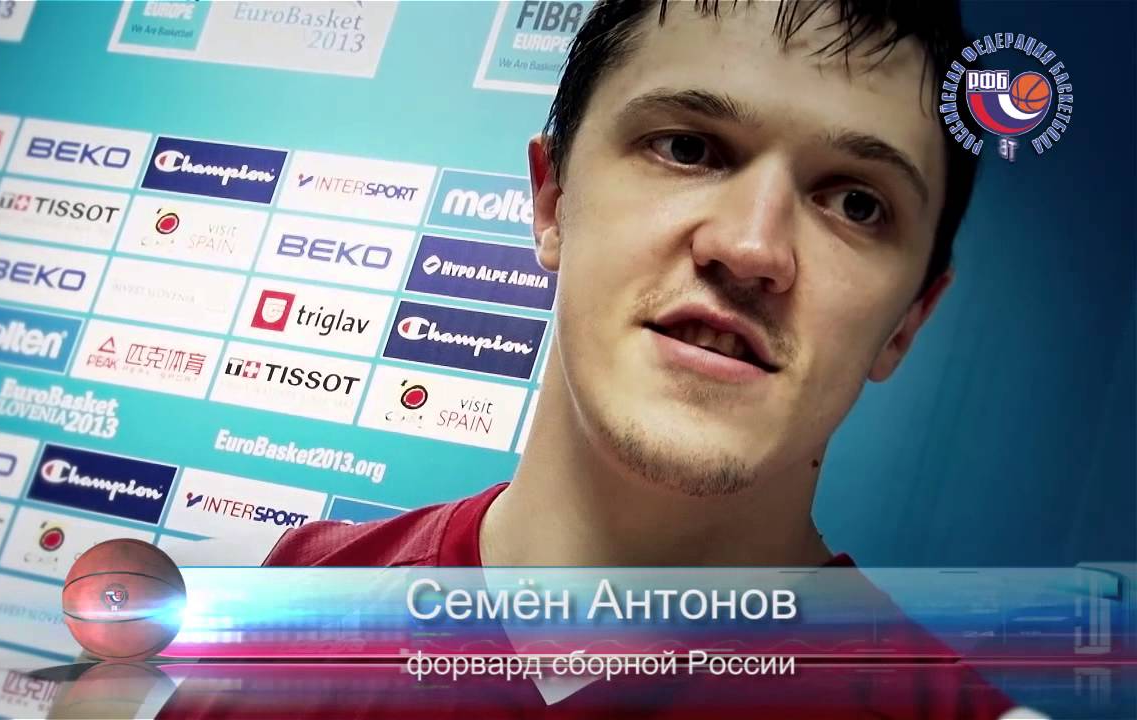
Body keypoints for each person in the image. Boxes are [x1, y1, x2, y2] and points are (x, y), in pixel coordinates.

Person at [149, 1, 1030, 716]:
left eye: (857, 203)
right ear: (552, 204)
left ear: (909, 320)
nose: (751, 247)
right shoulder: (302, 599)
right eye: (688, 148)